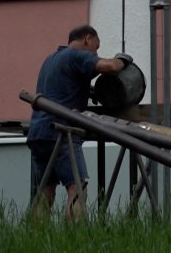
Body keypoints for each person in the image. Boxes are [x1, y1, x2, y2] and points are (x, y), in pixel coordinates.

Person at [26, 25, 132, 220]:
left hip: (38, 132)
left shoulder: (50, 60)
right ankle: (76, 241)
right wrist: (122, 59)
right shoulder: (76, 55)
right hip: (61, 132)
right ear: (87, 39)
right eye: (95, 47)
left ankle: (35, 240)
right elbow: (110, 67)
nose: (95, 53)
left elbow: (64, 89)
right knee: (77, 190)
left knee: (45, 192)